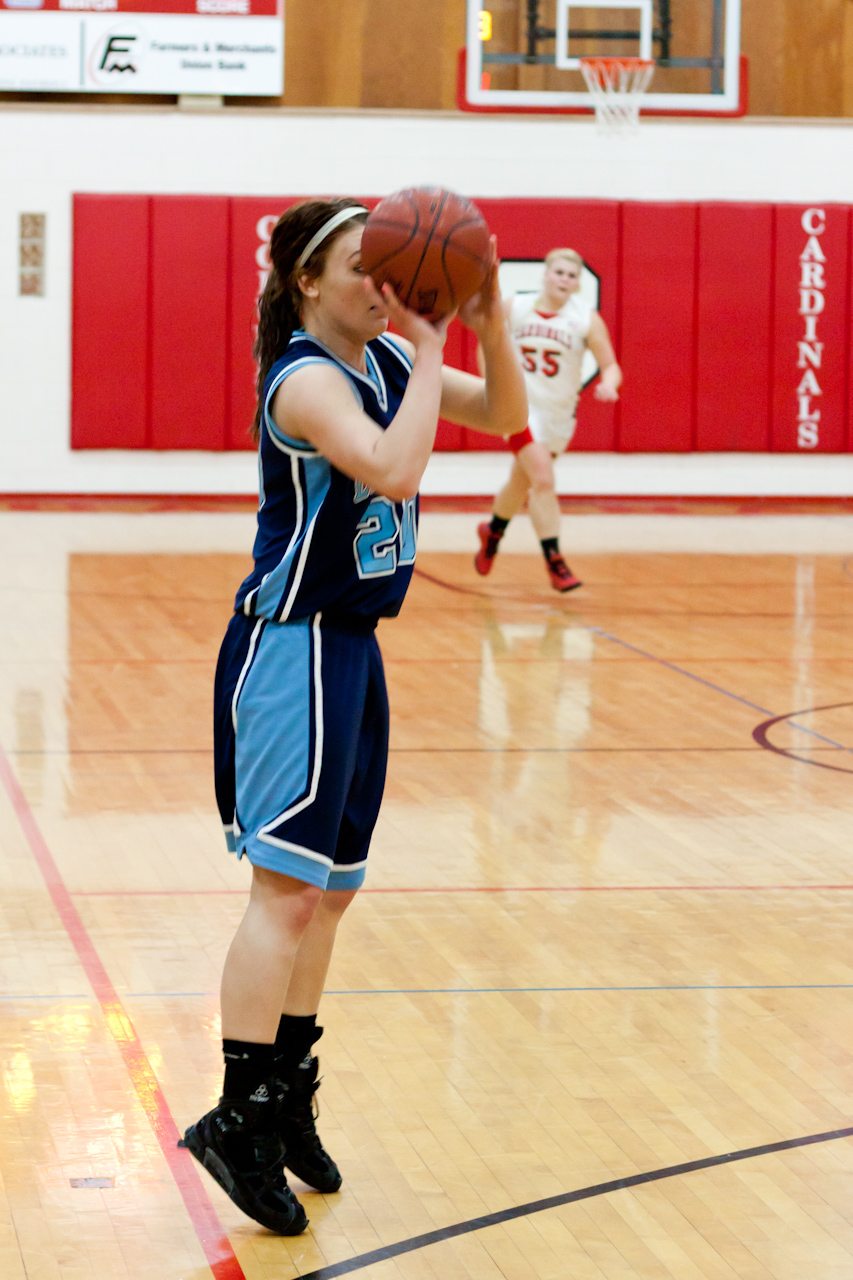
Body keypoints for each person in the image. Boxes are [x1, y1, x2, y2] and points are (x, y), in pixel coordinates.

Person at [181, 198, 527, 1235]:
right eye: (361, 265)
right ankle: (238, 1116)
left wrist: (491, 321)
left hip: (351, 650)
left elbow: (498, 413)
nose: (384, 283)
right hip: (291, 648)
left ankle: (285, 1093)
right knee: (283, 896)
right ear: (307, 282)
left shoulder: (380, 360)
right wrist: (431, 345)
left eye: (390, 264)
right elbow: (394, 467)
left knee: (329, 896)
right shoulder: (306, 380)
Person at [474, 248, 622, 591]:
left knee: (522, 481)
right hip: (520, 408)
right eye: (559, 272)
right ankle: (555, 561)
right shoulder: (517, 307)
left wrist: (609, 384)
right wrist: (490, 386)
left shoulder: (586, 319)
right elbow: (488, 344)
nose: (564, 279)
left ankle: (493, 531)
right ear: (546, 274)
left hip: (559, 414)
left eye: (572, 275)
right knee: (543, 479)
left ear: (578, 283)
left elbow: (610, 365)